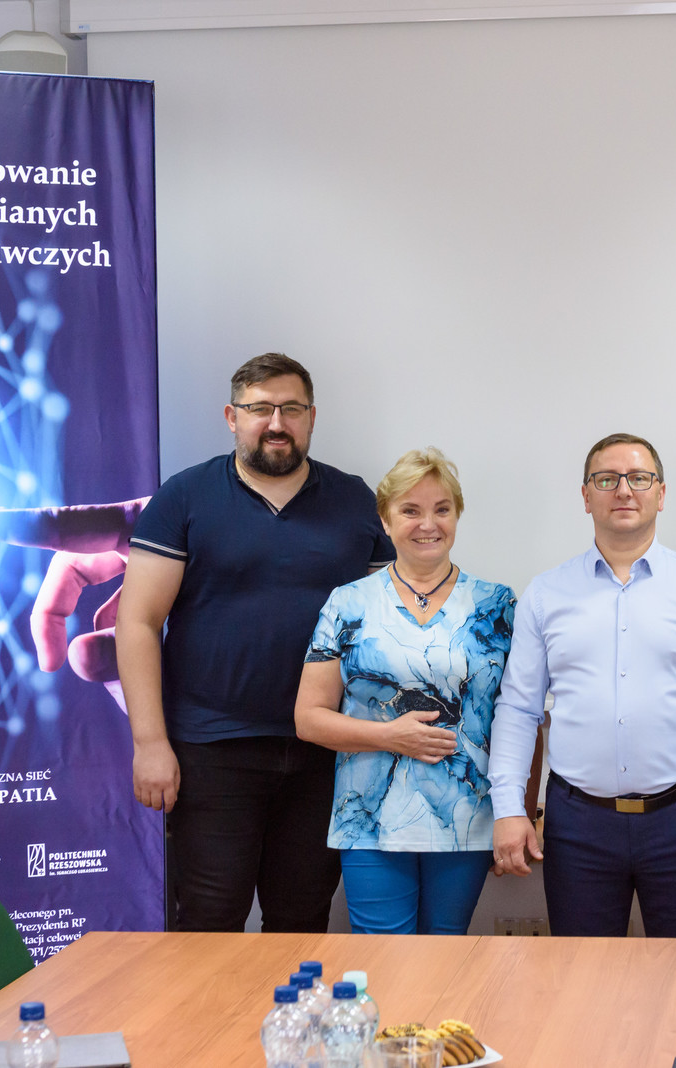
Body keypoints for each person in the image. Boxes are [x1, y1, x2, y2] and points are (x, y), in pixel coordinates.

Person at [114, 353, 394, 932]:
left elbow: (391, 621)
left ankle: (289, 1003)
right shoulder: (184, 497)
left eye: (291, 409)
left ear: (312, 417)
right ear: (232, 417)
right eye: (260, 409)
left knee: (301, 919)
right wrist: (149, 743)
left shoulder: (355, 501)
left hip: (324, 751)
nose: (276, 423)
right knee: (209, 922)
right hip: (212, 749)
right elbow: (138, 621)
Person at [486, 433, 676, 938]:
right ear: (585, 495)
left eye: (639, 478)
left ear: (661, 493)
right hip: (579, 825)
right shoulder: (546, 594)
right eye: (606, 479)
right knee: (581, 975)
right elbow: (518, 710)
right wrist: (508, 809)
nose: (623, 490)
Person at [293, 448, 515, 935]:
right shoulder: (348, 602)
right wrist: (389, 736)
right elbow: (308, 719)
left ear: (457, 516)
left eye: (442, 509)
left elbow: (517, 718)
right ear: (385, 519)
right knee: (384, 958)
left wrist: (516, 814)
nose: (427, 524)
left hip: (466, 815)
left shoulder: (496, 604)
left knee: (447, 953)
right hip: (368, 816)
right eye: (410, 510)